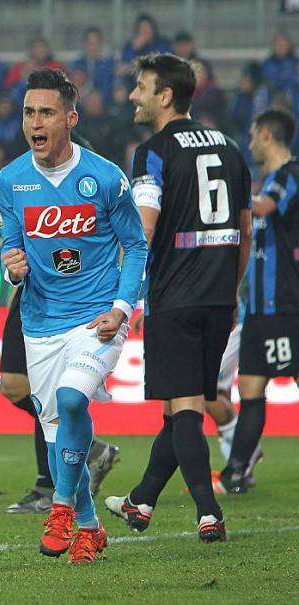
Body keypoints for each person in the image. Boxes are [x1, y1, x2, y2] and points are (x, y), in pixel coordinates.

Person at [0, 68, 146, 562]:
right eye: (28, 112)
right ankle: (89, 527)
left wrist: (122, 309)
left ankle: (60, 507)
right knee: (64, 440)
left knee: (71, 399)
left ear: (69, 118)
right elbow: (11, 254)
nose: (34, 122)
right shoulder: (11, 181)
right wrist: (11, 269)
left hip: (95, 318)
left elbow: (136, 247)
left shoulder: (104, 177)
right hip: (39, 324)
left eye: (45, 112)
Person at [105, 54, 252, 543]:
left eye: (141, 87)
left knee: (184, 406)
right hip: (218, 296)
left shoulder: (152, 152)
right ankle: (142, 500)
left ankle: (208, 513)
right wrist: (231, 289)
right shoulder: (231, 148)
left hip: (176, 294)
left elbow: (144, 227)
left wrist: (123, 291)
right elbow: (247, 231)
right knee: (176, 410)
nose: (132, 95)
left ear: (165, 96)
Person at [216, 109, 299, 494]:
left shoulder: (290, 175)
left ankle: (236, 470)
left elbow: (264, 208)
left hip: (286, 304)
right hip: (261, 309)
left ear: (267, 135)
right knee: (250, 387)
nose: (249, 141)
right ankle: (236, 472)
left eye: (252, 134)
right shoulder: (270, 180)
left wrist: (222, 195)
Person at [0, 284, 122, 514]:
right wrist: (15, 287)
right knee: (12, 385)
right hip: (29, 295)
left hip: (72, 293)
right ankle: (91, 451)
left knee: (52, 396)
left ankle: (49, 489)